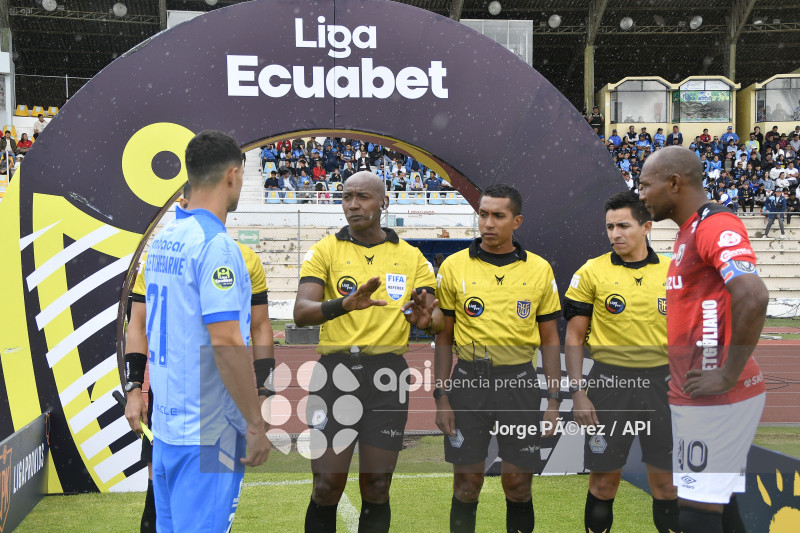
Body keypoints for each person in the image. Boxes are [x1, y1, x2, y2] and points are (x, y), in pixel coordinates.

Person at [294, 171, 442, 533]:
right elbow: (301, 312)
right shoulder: (325, 249)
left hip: (387, 377)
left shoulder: (412, 257)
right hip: (335, 373)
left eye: (362, 197)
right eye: (346, 197)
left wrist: (428, 320)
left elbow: (433, 316)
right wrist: (344, 304)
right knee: (327, 486)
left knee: (377, 486)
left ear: (384, 203)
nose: (353, 205)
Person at [124, 178, 274, 532]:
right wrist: (134, 388)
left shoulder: (172, 247)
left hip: (186, 412)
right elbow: (139, 324)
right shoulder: (202, 249)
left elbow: (261, 326)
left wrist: (265, 390)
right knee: (175, 517)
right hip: (204, 415)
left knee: (175, 519)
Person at [638, 146, 768, 533]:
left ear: (674, 183)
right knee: (718, 506)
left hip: (717, 397)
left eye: (645, 185)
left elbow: (754, 295)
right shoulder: (688, 230)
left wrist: (728, 373)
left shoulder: (714, 224)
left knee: (695, 513)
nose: (640, 193)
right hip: (698, 395)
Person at [434, 184, 562, 533]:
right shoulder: (453, 266)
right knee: (466, 485)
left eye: (498, 216)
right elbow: (443, 338)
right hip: (468, 386)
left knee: (518, 487)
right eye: (483, 214)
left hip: (519, 386)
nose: (488, 223)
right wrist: (441, 397)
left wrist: (554, 401)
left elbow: (550, 340)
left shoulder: (539, 269)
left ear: (516, 221)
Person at [563, 191, 678, 533]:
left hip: (663, 385)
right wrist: (578, 392)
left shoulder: (674, 271)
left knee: (666, 484)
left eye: (623, 225)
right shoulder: (591, 272)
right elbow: (573, 338)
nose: (615, 234)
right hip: (609, 385)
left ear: (646, 227)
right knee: (603, 483)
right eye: (610, 226)